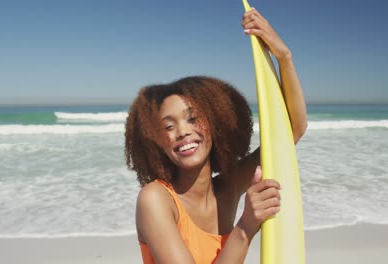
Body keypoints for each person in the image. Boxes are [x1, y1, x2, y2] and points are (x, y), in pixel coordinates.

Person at [124, 8, 307, 264]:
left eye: (192, 118)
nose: (182, 131)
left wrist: (284, 57)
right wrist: (245, 227)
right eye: (168, 127)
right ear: (156, 141)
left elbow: (291, 133)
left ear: (216, 124)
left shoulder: (228, 188)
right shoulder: (155, 199)